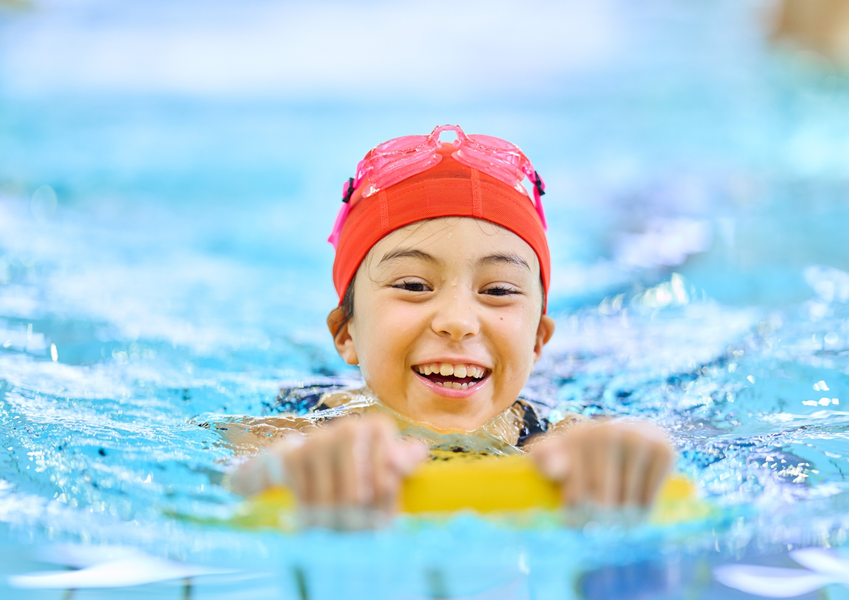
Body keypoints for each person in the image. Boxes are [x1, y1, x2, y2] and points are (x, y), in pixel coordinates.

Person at [229, 125, 673, 516]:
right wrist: (273, 478)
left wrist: (631, 455)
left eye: (498, 291)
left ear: (538, 341)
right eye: (413, 285)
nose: (459, 322)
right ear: (347, 333)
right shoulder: (290, 436)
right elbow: (225, 481)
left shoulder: (568, 445)